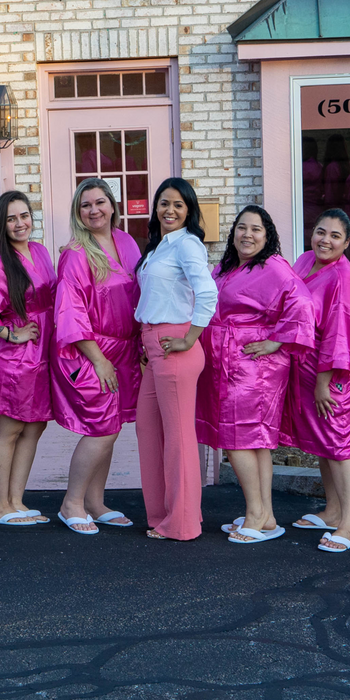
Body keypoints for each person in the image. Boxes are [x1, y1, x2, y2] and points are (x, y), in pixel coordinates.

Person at [198, 205, 314, 544]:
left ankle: (255, 513)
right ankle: (266, 514)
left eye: (256, 230)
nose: (247, 235)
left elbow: (303, 306)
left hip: (253, 365)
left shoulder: (274, 267)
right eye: (242, 228)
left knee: (237, 440)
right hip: (230, 361)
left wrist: (276, 342)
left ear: (268, 236)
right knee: (256, 441)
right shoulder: (230, 266)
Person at [49, 179, 142, 534]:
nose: (93, 210)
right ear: (78, 212)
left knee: (113, 428)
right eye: (85, 205)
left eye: (99, 202)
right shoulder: (75, 253)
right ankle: (71, 502)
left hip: (126, 349)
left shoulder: (128, 242)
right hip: (90, 350)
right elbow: (70, 312)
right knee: (101, 428)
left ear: (112, 205)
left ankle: (95, 501)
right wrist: (99, 359)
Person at [134, 178, 217, 540]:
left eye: (178, 205)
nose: (169, 210)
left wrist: (189, 339)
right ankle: (160, 514)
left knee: (180, 437)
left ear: (189, 211)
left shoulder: (187, 245)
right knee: (148, 429)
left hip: (175, 345)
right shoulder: (159, 247)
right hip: (154, 345)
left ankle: (181, 523)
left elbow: (208, 293)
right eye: (164, 203)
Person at [0, 190, 57, 526]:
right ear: (1, 226)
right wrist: (11, 334)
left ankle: (16, 501)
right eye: (11, 219)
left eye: (24, 216)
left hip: (43, 354)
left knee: (34, 427)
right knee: (10, 429)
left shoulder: (40, 251)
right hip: (15, 359)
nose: (20, 224)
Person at [282, 209, 350, 552]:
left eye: (334, 236)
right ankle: (333, 511)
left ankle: (348, 526)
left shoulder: (343, 278)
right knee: (324, 442)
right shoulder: (303, 261)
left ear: (346, 243)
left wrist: (323, 382)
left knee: (342, 446)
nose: (325, 240)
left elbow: (340, 336)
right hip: (307, 365)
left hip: (334, 369)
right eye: (320, 232)